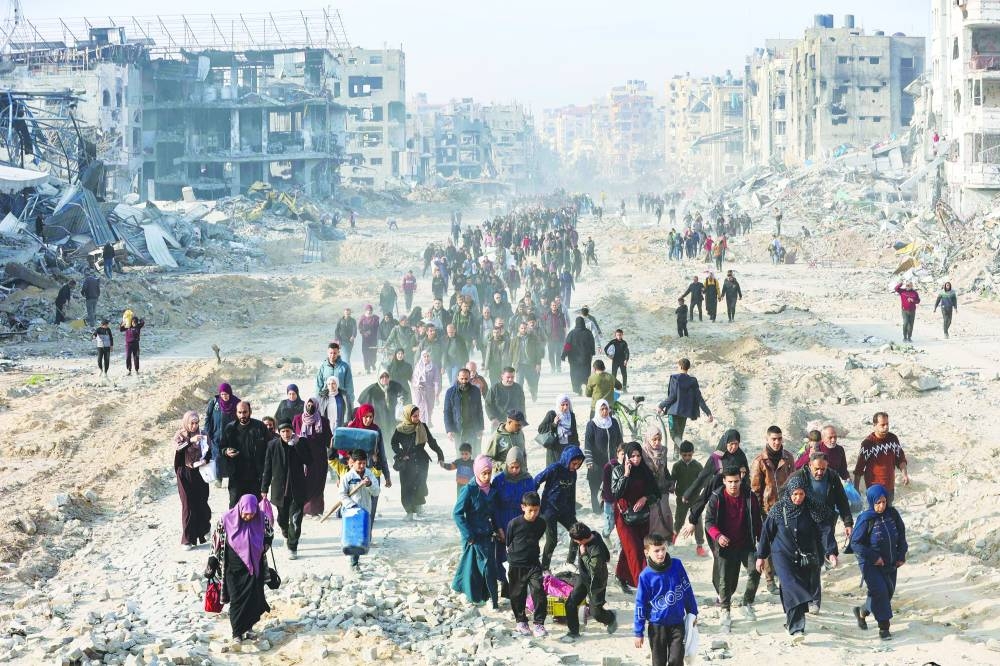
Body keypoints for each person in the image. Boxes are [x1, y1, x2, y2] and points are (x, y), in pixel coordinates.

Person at [755, 475, 838, 639]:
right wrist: (761, 556)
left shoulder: (812, 508)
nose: (798, 498)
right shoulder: (778, 510)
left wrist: (831, 551)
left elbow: (825, 531)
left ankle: (791, 623)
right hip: (782, 555)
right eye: (795, 494)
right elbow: (766, 534)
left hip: (805, 555)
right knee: (791, 585)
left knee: (791, 589)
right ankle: (797, 629)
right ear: (789, 493)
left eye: (801, 494)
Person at [705, 464, 763, 632]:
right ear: (724, 481)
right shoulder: (716, 498)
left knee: (755, 569)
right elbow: (709, 522)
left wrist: (763, 543)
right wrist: (718, 535)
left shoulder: (749, 497)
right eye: (729, 481)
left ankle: (747, 603)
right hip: (725, 544)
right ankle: (725, 610)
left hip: (746, 543)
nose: (733, 485)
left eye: (736, 481)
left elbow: (757, 522)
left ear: (741, 479)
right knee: (725, 581)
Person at [209, 494, 273, 640]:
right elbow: (216, 540)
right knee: (237, 599)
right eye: (245, 514)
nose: (248, 517)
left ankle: (249, 628)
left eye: (252, 514)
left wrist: (263, 547)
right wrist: (212, 560)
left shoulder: (262, 518)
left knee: (252, 599)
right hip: (233, 568)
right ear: (240, 508)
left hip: (254, 568)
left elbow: (269, 535)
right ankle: (237, 633)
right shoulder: (226, 519)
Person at [850, 484, 907, 640]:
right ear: (871, 502)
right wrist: (874, 557)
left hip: (890, 562)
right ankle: (884, 628)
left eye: (884, 502)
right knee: (880, 592)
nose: (881, 506)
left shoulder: (892, 514)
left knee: (887, 592)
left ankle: (862, 612)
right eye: (878, 503)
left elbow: (901, 534)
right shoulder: (865, 519)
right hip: (870, 564)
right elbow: (855, 543)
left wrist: (901, 554)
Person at [633, 533, 698, 666]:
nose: (661, 553)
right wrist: (638, 632)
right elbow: (640, 605)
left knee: (676, 660)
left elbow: (687, 590)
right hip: (657, 626)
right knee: (659, 662)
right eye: (656, 551)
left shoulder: (677, 565)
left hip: (677, 623)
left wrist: (693, 612)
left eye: (663, 549)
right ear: (647, 552)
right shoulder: (645, 576)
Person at [749, 425, 796, 594]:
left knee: (786, 543)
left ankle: (784, 576)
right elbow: (755, 490)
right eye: (773, 439)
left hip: (787, 509)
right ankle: (769, 580)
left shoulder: (788, 457)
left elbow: (794, 482)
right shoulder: (759, 462)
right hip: (767, 510)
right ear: (767, 439)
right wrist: (758, 513)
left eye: (779, 439)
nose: (777, 442)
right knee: (767, 544)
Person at [452, 455, 500, 608]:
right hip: (472, 536)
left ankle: (491, 598)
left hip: (488, 535)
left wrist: (498, 529)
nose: (486, 477)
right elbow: (457, 513)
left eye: (489, 473)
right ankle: (472, 596)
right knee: (472, 567)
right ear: (477, 472)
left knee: (489, 567)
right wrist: (468, 535)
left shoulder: (492, 490)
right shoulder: (469, 490)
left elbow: (494, 513)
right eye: (483, 473)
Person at [612, 442, 660, 592]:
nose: (636, 459)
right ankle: (645, 587)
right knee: (634, 549)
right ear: (626, 456)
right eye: (632, 456)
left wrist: (645, 498)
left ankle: (621, 575)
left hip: (642, 517)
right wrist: (626, 474)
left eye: (638, 455)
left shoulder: (645, 471)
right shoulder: (618, 471)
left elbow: (656, 493)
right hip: (623, 516)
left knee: (635, 548)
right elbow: (616, 493)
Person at [261, 422, 311, 559]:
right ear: (279, 432)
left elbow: (309, 460)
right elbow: (268, 467)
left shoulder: (301, 442)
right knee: (282, 519)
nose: (286, 434)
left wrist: (298, 445)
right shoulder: (272, 445)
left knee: (295, 519)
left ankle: (292, 547)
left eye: (288, 431)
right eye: (283, 431)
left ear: (292, 431)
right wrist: (264, 488)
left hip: (297, 490)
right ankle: (285, 532)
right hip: (280, 490)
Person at [561, 522, 617, 643]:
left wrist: (584, 554)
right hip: (583, 577)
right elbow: (606, 556)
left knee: (595, 612)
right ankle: (573, 631)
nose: (575, 543)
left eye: (576, 541)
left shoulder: (596, 549)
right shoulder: (593, 534)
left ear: (583, 539)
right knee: (570, 603)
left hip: (596, 582)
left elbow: (593, 568)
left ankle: (610, 618)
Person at [491, 447, 536, 593]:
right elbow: (494, 506)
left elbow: (532, 504)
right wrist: (498, 527)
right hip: (503, 520)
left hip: (521, 521)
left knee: (519, 555)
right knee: (501, 555)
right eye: (512, 467)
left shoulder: (528, 480)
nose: (515, 470)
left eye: (518, 467)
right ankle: (504, 583)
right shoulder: (499, 480)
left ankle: (518, 585)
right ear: (507, 465)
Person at [534, 445, 585, 572]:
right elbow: (537, 480)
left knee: (577, 533)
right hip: (548, 509)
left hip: (564, 509)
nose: (575, 467)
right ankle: (545, 568)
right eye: (574, 463)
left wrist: (572, 513)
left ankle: (569, 562)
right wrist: (534, 501)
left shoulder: (573, 474)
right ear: (567, 460)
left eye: (578, 464)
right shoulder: (555, 468)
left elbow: (572, 494)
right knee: (552, 541)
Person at [505, 490, 548, 637]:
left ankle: (539, 624)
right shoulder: (514, 523)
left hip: (534, 563)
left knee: (539, 591)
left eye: (536, 510)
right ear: (523, 507)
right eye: (530, 510)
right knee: (517, 594)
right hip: (516, 564)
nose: (533, 514)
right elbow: (508, 541)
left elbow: (537, 537)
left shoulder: (541, 523)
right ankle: (521, 621)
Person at [391, 405, 446, 520]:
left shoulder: (422, 427)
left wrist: (440, 454)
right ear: (407, 416)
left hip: (421, 460)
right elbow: (394, 443)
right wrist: (401, 454)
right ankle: (409, 511)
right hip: (407, 462)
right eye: (414, 416)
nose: (417, 418)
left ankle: (419, 507)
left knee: (420, 483)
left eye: (418, 415)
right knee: (406, 486)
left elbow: (431, 442)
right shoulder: (400, 429)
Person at [657, 358, 713, 455]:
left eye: (678, 366)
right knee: (679, 435)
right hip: (684, 412)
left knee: (674, 435)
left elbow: (672, 396)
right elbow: (699, 398)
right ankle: (676, 457)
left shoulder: (675, 378)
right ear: (688, 368)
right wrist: (708, 413)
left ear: (681, 366)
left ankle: (684, 448)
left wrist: (661, 406)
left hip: (673, 412)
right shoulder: (693, 381)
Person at [220, 402, 270, 508]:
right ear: (236, 413)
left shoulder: (259, 427)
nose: (242, 415)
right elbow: (221, 448)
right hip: (236, 476)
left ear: (250, 412)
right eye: (240, 412)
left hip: (255, 476)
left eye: (245, 412)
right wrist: (226, 451)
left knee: (255, 507)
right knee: (235, 507)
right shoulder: (230, 428)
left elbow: (269, 449)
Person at [173, 411, 211, 549]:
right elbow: (178, 449)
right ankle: (187, 539)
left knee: (202, 502)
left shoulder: (203, 434)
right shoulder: (180, 435)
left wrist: (205, 460)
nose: (194, 426)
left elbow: (210, 451)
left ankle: (204, 528)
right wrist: (190, 441)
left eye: (196, 423)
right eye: (192, 423)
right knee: (188, 505)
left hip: (200, 472)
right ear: (186, 423)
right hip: (185, 473)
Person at [853, 412, 909, 504]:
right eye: (882, 425)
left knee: (888, 509)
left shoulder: (893, 439)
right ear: (875, 425)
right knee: (876, 511)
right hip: (874, 487)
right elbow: (859, 467)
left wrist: (905, 474)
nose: (886, 427)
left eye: (887, 424)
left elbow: (901, 459)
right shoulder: (868, 443)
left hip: (889, 484)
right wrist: (856, 488)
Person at [339, 449, 381, 570]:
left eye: (364, 463)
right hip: (351, 512)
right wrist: (351, 505)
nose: (362, 466)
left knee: (362, 535)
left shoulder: (370, 474)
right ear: (353, 462)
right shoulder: (347, 477)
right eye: (359, 463)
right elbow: (342, 495)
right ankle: (354, 562)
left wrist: (369, 485)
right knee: (352, 535)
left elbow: (376, 491)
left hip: (365, 510)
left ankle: (355, 560)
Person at [584, 399, 624, 516]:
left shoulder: (614, 423)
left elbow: (620, 441)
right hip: (597, 462)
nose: (605, 411)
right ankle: (596, 510)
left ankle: (609, 507)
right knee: (595, 487)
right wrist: (590, 461)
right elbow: (588, 444)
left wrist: (622, 455)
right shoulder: (592, 425)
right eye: (602, 409)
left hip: (611, 461)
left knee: (611, 486)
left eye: (606, 408)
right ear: (597, 410)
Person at [292, 397, 330, 517]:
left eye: (312, 405)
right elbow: (292, 435)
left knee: (318, 481)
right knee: (303, 482)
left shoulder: (323, 421)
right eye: (308, 405)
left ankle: (315, 509)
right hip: (301, 456)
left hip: (318, 457)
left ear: (317, 406)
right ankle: (302, 508)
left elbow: (329, 439)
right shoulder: (297, 419)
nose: (310, 407)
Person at [671, 441, 705, 555]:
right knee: (679, 519)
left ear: (693, 453)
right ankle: (673, 539)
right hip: (681, 499)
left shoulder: (697, 466)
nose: (687, 457)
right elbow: (673, 480)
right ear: (680, 454)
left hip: (696, 499)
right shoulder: (677, 466)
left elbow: (703, 481)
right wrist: (671, 487)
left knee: (698, 521)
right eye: (684, 455)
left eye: (689, 455)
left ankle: (699, 545)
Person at [641, 426, 675, 544]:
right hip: (649, 490)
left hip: (662, 487)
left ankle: (666, 539)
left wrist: (670, 482)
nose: (657, 443)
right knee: (653, 516)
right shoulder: (642, 452)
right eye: (654, 440)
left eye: (659, 439)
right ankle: (652, 541)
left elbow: (665, 469)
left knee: (665, 513)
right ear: (648, 439)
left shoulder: (663, 450)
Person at [443, 368, 485, 456]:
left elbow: (479, 410)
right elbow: (447, 412)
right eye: (462, 378)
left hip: (472, 428)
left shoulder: (475, 391)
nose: (464, 381)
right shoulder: (450, 392)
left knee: (474, 453)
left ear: (469, 378)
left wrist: (480, 428)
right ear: (457, 377)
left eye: (466, 378)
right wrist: (449, 430)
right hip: (458, 429)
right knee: (460, 455)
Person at [206, 383, 239, 487]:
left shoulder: (236, 403)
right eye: (223, 394)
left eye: (227, 394)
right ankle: (219, 479)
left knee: (230, 457)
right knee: (218, 457)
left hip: (231, 436)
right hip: (216, 436)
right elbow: (208, 417)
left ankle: (232, 478)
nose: (225, 396)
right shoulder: (214, 403)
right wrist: (207, 432)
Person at [537, 394, 580, 466]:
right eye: (562, 405)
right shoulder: (552, 414)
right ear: (558, 405)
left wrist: (576, 447)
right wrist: (554, 423)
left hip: (567, 449)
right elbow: (541, 429)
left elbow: (574, 433)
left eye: (567, 404)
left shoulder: (571, 416)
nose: (565, 407)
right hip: (554, 450)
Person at [562, 316, 596, 396]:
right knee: (586, 373)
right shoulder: (588, 333)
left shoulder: (572, 333)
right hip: (586, 358)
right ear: (583, 323)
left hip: (574, 359)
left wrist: (564, 354)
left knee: (574, 374)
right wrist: (592, 351)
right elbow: (592, 343)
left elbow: (567, 345)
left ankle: (577, 389)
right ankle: (587, 388)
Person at [485, 409, 527, 473]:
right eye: (517, 425)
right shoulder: (497, 437)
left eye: (521, 425)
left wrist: (525, 469)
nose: (520, 427)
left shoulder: (520, 433)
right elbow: (487, 459)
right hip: (503, 476)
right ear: (509, 422)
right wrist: (503, 466)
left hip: (520, 475)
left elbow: (523, 453)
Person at [318, 376, 352, 454]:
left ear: (337, 384)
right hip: (328, 425)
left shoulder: (343, 396)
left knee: (340, 448)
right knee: (329, 448)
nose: (331, 386)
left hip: (340, 424)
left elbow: (348, 409)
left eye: (333, 383)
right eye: (329, 384)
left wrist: (348, 421)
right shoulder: (323, 397)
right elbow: (320, 411)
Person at [412, 350, 441, 428]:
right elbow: (414, 379)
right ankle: (423, 425)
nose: (426, 358)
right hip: (419, 390)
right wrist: (417, 386)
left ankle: (429, 420)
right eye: (424, 356)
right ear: (422, 357)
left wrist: (437, 392)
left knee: (429, 407)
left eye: (428, 356)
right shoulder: (418, 366)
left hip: (430, 390)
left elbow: (437, 380)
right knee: (421, 408)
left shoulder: (434, 367)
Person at [358, 305, 381, 373]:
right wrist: (363, 332)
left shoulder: (375, 318)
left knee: (373, 353)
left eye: (370, 310)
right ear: (365, 311)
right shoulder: (362, 318)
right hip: (365, 339)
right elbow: (359, 327)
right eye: (368, 310)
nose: (369, 311)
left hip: (373, 339)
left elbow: (377, 328)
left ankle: (372, 363)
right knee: (365, 353)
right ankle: (367, 368)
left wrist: (372, 332)